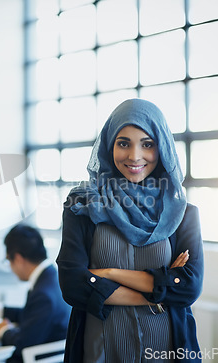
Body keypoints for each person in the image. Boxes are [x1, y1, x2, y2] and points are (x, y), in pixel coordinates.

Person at [57, 98, 204, 362]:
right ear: (109, 144)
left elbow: (188, 288)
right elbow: (72, 286)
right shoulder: (82, 206)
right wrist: (158, 296)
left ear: (162, 149)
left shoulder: (183, 214)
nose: (134, 156)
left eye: (147, 144)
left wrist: (108, 274)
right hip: (99, 350)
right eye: (123, 143)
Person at [0, 224, 71, 363]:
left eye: (8, 261)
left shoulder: (43, 294)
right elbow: (34, 316)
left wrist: (4, 331)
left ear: (18, 259)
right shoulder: (52, 278)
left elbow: (22, 344)